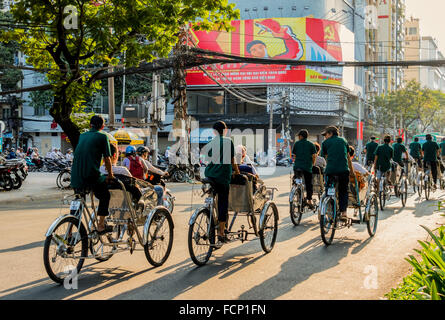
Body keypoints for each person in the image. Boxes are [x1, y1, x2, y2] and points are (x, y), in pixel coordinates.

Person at [70, 115, 114, 235]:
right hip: (91, 176)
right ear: (102, 126)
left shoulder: (82, 136)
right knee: (105, 196)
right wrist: (110, 175)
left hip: (75, 176)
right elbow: (107, 159)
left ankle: (69, 228)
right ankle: (100, 225)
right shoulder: (102, 136)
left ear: (90, 125)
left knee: (78, 201)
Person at [204, 120, 240, 246]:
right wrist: (237, 171)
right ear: (225, 131)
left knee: (213, 196)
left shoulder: (211, 142)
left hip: (209, 175)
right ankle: (221, 232)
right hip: (222, 177)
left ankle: (208, 212)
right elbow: (231, 159)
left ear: (214, 132)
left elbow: (208, 158)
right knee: (223, 202)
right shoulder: (228, 141)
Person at [321, 126, 356, 220]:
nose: (325, 137)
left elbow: (324, 157)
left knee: (328, 189)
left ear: (331, 133)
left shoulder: (325, 143)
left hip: (330, 171)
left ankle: (330, 209)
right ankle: (343, 212)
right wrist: (352, 172)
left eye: (326, 135)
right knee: (343, 191)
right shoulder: (343, 141)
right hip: (343, 171)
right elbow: (348, 157)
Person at [291, 129, 317, 209]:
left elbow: (294, 156)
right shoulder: (311, 144)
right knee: (309, 184)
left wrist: (297, 162)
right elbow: (314, 156)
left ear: (300, 136)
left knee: (296, 180)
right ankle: (309, 200)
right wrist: (312, 164)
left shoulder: (296, 144)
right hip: (307, 167)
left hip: (297, 167)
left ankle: (297, 192)